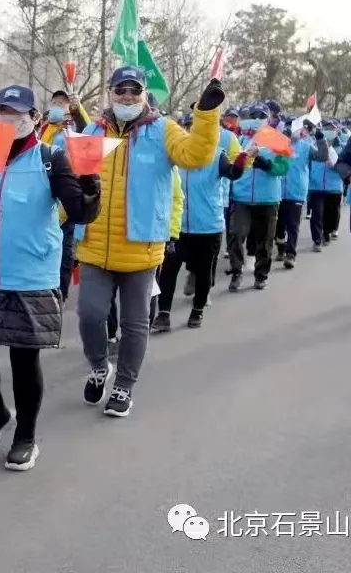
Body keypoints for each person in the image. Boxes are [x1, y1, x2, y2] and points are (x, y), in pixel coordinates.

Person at [0, 85, 101, 471]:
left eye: (17, 113)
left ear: (34, 118)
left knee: (24, 358)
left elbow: (81, 213)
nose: (8, 119)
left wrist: (90, 182)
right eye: (1, 111)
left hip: (31, 276)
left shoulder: (50, 158)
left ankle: (26, 435)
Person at [75, 67, 223, 418]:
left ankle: (124, 386)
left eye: (134, 90)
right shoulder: (93, 130)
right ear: (110, 92)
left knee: (135, 324)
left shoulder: (163, 130)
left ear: (144, 93)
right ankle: (99, 366)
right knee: (89, 316)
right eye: (120, 90)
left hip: (142, 249)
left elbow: (196, 155)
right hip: (95, 245)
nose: (127, 96)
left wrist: (205, 114)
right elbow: (75, 183)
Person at [153, 139, 248, 330]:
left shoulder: (216, 155)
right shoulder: (178, 153)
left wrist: (242, 159)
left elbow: (233, 173)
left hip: (207, 226)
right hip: (177, 226)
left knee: (203, 270)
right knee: (168, 270)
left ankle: (197, 310)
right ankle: (163, 314)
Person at [227, 103, 289, 291]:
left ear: (269, 118)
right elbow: (228, 162)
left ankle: (261, 275)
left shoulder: (279, 140)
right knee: (235, 234)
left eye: (261, 116)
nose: (257, 119)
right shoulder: (237, 138)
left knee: (265, 240)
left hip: (268, 199)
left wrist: (264, 163)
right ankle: (236, 272)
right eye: (253, 115)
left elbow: (283, 168)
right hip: (242, 197)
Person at [276, 119, 328, 265]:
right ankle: (280, 247)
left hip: (296, 191)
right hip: (277, 192)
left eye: (300, 129)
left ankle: (290, 254)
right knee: (278, 225)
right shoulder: (278, 145)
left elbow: (323, 156)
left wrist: (320, 137)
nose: (297, 131)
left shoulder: (306, 146)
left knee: (293, 225)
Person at [307, 119, 344, 250]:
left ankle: (327, 232)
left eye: (331, 128)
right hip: (315, 186)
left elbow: (346, 167)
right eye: (326, 128)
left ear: (337, 131)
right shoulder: (314, 144)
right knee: (317, 214)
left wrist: (335, 166)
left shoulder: (342, 147)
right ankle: (317, 240)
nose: (328, 131)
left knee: (330, 215)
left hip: (334, 187)